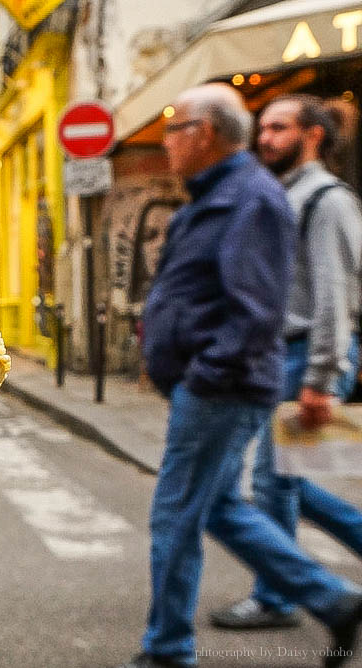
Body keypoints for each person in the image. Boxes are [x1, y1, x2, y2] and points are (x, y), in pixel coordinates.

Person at [114, 84, 362, 668]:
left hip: (229, 384)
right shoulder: (222, 195)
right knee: (225, 503)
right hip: (224, 381)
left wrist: (206, 374)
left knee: (182, 509)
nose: (168, 139)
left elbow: (262, 310)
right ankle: (331, 598)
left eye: (174, 127)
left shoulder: (258, 199)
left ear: (203, 134)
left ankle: (169, 650)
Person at [211, 95, 362, 630]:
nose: (265, 139)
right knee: (290, 480)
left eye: (279, 128)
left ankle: (275, 599)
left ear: (312, 135)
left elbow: (337, 292)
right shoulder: (284, 194)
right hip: (283, 355)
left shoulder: (327, 200)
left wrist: (323, 376)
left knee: (277, 482)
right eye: (262, 129)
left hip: (308, 356)